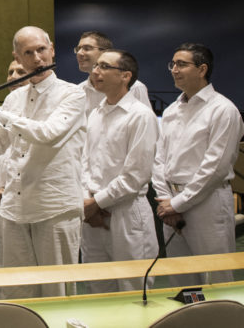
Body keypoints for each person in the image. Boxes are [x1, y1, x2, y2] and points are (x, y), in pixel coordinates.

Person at [0, 26, 85, 299]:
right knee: (18, 290)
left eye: (41, 50)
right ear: (18, 57)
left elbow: (49, 134)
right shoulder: (15, 97)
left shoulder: (72, 94)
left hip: (54, 206)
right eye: (29, 53)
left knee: (56, 291)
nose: (37, 58)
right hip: (15, 208)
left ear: (51, 50)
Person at [153, 43, 243, 288]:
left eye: (181, 64)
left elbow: (215, 167)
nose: (174, 69)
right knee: (180, 278)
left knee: (215, 276)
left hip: (207, 201)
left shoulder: (222, 109)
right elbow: (159, 158)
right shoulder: (172, 110)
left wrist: (178, 204)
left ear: (202, 69)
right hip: (171, 200)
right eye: (172, 64)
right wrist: (165, 199)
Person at [80, 49, 158, 293]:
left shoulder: (140, 116)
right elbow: (84, 162)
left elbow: (135, 175)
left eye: (104, 66)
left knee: (133, 287)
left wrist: (96, 203)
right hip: (92, 213)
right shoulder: (95, 113)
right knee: (99, 286)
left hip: (126, 211)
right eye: (96, 66)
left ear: (125, 76)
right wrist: (87, 200)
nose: (96, 71)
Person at [0, 60, 25, 267]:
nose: (13, 76)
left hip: (25, 200)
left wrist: (9, 188)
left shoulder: (40, 114)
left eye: (20, 71)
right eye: (10, 72)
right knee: (0, 262)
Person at [73, 31, 150, 115]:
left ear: (105, 52)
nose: (79, 53)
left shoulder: (135, 87)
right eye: (78, 49)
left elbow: (145, 120)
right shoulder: (78, 90)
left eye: (87, 48)